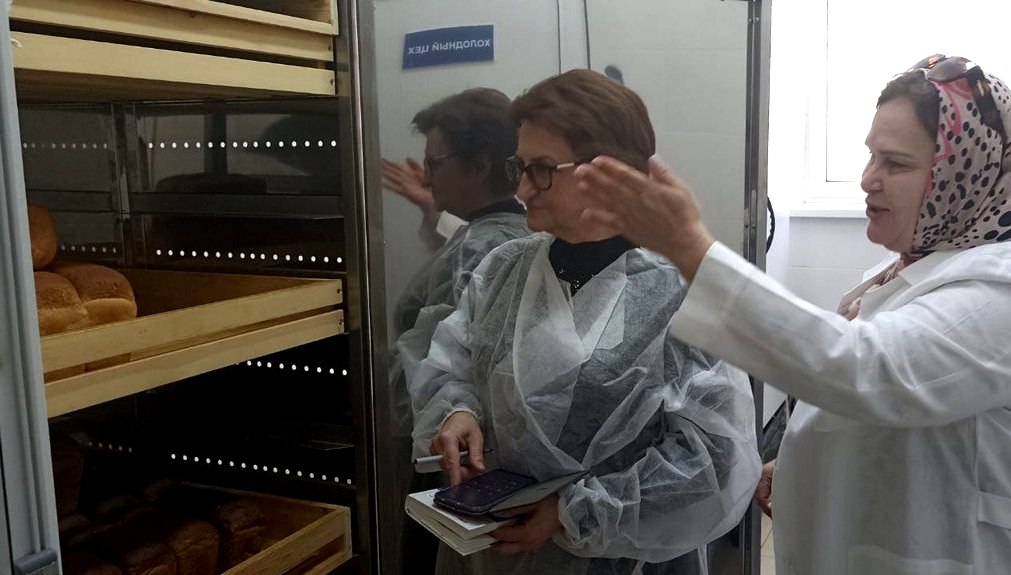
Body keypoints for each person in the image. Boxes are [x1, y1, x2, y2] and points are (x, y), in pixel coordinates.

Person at [575, 54, 1011, 574]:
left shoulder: (997, 292)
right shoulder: (908, 268)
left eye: (895, 164)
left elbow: (866, 369)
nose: (868, 179)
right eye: (871, 156)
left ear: (967, 174)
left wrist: (689, 248)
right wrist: (806, 463)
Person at [409, 69, 761, 574]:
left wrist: (572, 512)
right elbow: (452, 363)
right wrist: (457, 412)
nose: (522, 188)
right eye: (519, 167)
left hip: (628, 560)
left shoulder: (678, 293)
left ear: (607, 174)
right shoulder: (503, 271)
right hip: (497, 552)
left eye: (541, 170)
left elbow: (715, 461)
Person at [384, 88, 531, 575]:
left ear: (480, 166)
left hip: (452, 450)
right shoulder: (497, 235)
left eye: (436, 163)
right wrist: (432, 211)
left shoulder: (485, 247)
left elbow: (453, 357)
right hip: (463, 447)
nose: (427, 177)